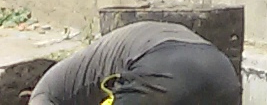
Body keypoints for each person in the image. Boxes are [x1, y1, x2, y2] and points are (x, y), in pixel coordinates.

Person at [14, 21, 240, 105]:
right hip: (223, 73)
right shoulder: (81, 72)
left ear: (26, 97)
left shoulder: (44, 93)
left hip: (164, 67)